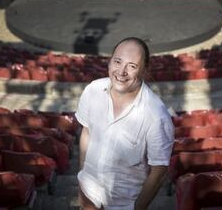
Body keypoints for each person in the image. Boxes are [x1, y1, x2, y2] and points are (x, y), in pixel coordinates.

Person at [75, 37, 175, 210]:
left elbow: (159, 171)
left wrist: (137, 208)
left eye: (132, 66)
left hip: (123, 204)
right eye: (118, 62)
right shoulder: (92, 91)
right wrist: (83, 175)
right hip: (88, 193)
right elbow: (87, 131)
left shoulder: (157, 116)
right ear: (109, 62)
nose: (121, 72)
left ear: (144, 70)